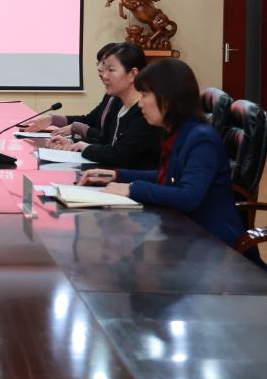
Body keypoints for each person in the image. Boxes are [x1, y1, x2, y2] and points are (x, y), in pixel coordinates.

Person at [78, 58, 246, 247]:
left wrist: (132, 188)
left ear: (167, 98)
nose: (140, 103)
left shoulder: (201, 139)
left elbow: (188, 197)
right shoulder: (178, 131)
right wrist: (117, 175)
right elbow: (169, 177)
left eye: (145, 95)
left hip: (214, 244)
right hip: (185, 232)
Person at [49, 43, 163, 170]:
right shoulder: (121, 107)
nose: (104, 76)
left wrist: (85, 147)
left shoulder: (143, 112)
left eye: (111, 70)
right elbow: (106, 142)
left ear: (132, 74)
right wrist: (73, 144)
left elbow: (120, 156)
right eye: (104, 69)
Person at [21, 42, 120, 140]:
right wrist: (52, 119)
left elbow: (108, 140)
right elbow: (89, 120)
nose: (99, 68)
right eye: (99, 63)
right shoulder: (110, 95)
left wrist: (76, 130)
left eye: (105, 64)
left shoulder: (123, 100)